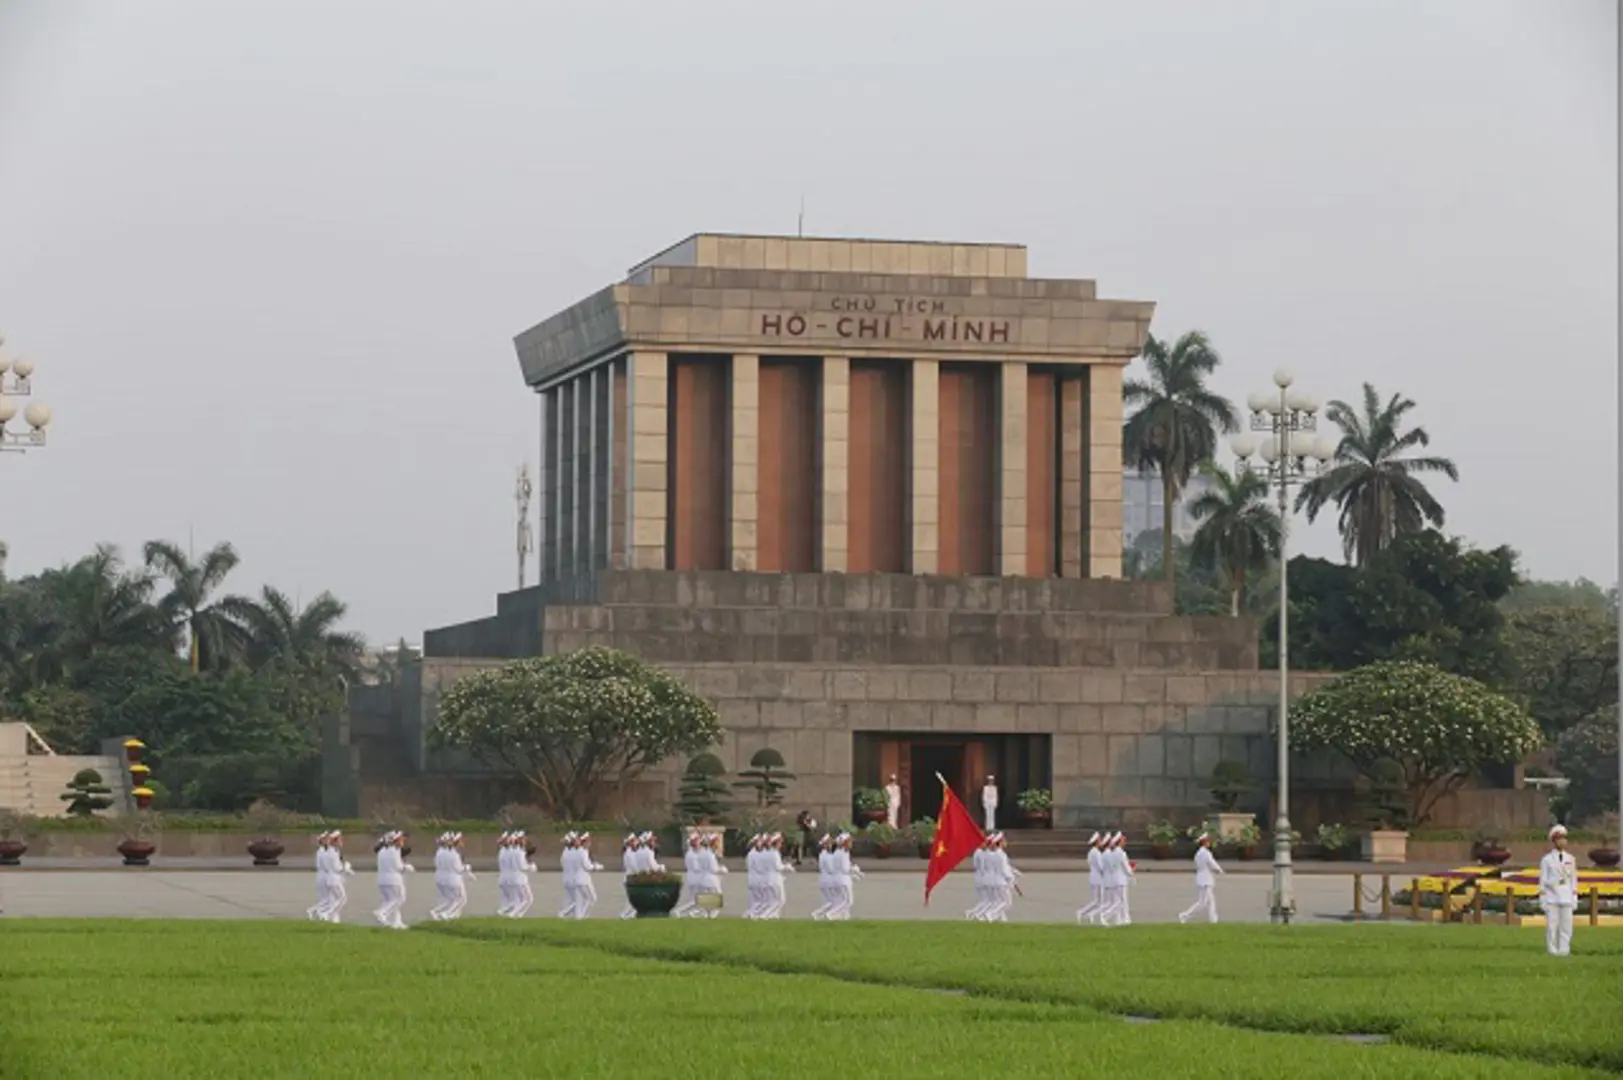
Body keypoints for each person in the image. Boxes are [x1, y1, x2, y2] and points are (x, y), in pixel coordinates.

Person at [1539, 824, 1578, 957]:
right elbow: (1543, 880)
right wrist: (1543, 898)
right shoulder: (1547, 860)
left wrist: (1574, 897)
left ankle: (1564, 950)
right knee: (1552, 926)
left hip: (1566, 896)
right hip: (1552, 897)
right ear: (1554, 841)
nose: (1562, 841)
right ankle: (1552, 949)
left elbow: (1573, 879)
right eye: (1559, 838)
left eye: (1564, 838)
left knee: (1567, 926)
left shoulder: (1571, 859)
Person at [1179, 832, 1224, 924]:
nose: (1209, 843)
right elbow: (1212, 863)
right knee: (1209, 901)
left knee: (1204, 902)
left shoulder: (1198, 853)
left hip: (1201, 878)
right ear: (1204, 842)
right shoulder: (1205, 853)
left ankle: (1186, 915)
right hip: (1206, 879)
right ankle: (1212, 920)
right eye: (1207, 841)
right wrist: (1219, 870)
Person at [374, 831, 413, 930]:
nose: (402, 841)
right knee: (400, 898)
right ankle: (382, 912)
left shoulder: (382, 851)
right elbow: (398, 867)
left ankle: (396, 922)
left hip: (382, 880)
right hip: (393, 879)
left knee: (390, 901)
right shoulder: (395, 851)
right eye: (400, 839)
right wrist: (406, 867)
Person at [829, 832, 863, 920]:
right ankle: (832, 914)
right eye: (849, 842)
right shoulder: (842, 853)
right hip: (842, 880)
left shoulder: (841, 852)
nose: (851, 844)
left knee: (843, 900)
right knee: (848, 901)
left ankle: (844, 917)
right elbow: (845, 869)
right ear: (844, 843)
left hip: (841, 879)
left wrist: (855, 873)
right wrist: (854, 870)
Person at [1076, 832, 1105, 925]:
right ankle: (1083, 912)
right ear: (1096, 842)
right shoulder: (1097, 853)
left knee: (1097, 900)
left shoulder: (1091, 853)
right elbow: (1101, 867)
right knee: (1098, 901)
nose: (1101, 842)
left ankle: (1089, 914)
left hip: (1093, 877)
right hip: (1098, 878)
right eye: (1100, 840)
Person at [763, 833, 794, 918]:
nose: (781, 845)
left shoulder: (768, 853)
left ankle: (773, 915)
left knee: (773, 900)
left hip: (769, 878)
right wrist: (787, 867)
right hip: (775, 879)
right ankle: (767, 915)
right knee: (781, 900)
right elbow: (778, 867)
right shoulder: (775, 853)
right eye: (780, 843)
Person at [811, 834, 838, 920]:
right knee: (833, 901)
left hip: (823, 879)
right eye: (829, 843)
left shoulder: (822, 855)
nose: (831, 845)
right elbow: (831, 869)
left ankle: (825, 915)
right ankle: (817, 913)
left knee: (828, 900)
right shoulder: (827, 856)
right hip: (828, 880)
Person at [967, 835, 993, 921]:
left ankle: (976, 913)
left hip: (980, 877)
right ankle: (974, 913)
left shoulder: (978, 852)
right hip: (983, 877)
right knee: (987, 900)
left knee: (985, 899)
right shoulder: (981, 853)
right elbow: (982, 867)